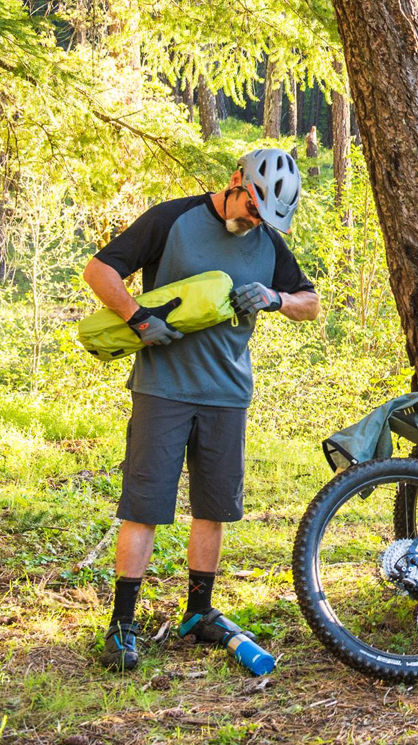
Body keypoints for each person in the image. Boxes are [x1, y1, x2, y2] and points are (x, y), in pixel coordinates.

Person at [82, 148, 321, 671]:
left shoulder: (268, 243)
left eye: (265, 218)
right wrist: (137, 317)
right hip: (162, 390)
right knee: (143, 506)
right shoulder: (173, 219)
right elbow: (99, 270)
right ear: (237, 180)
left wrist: (275, 298)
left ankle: (199, 612)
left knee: (213, 507)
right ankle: (123, 623)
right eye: (253, 208)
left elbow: (311, 303)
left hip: (227, 395)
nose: (254, 221)